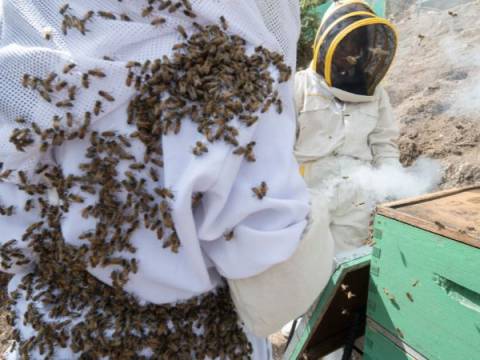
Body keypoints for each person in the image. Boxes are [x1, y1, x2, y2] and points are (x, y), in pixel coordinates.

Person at [0, 1, 334, 359]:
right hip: (197, 341)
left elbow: (11, 240)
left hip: (58, 334)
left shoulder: (24, 71)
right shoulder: (237, 73)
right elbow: (262, 246)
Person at [295, 0, 400, 256]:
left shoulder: (375, 93)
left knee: (344, 267)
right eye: (344, 43)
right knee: (302, 266)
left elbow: (384, 143)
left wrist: (395, 187)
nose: (349, 52)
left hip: (357, 194)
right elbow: (276, 147)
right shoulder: (297, 87)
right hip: (307, 191)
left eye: (356, 45)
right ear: (326, 42)